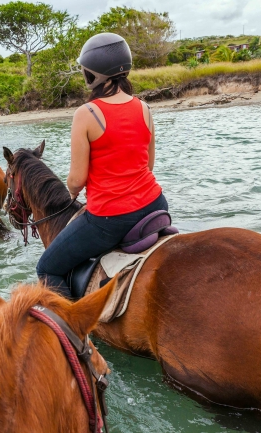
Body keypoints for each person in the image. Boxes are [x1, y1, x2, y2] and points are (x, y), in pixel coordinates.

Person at [36, 33, 169, 299]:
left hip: (110, 218)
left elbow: (76, 180)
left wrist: (74, 192)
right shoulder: (144, 107)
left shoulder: (86, 114)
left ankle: (74, 332)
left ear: (91, 74)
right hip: (155, 204)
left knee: (47, 268)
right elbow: (149, 165)